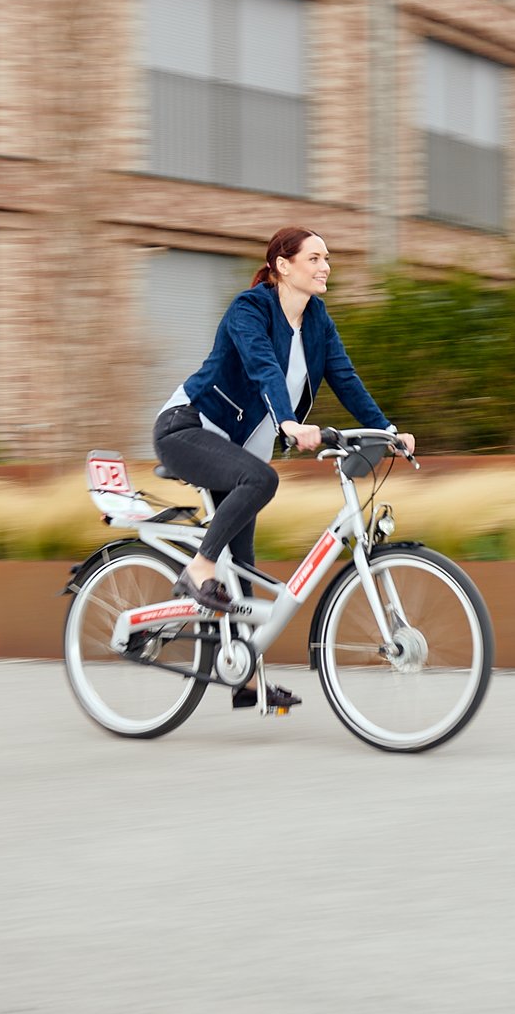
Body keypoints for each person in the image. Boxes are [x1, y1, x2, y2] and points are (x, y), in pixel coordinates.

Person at [153, 226, 414, 710]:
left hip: (243, 446)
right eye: (314, 257)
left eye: (327, 258)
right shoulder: (249, 308)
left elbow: (346, 377)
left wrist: (388, 430)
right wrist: (290, 422)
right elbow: (261, 366)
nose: (325, 266)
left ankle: (245, 675)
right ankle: (197, 570)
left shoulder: (317, 321)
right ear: (282, 265)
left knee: (243, 564)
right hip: (188, 428)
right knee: (260, 481)